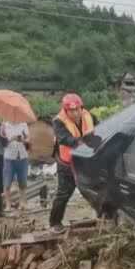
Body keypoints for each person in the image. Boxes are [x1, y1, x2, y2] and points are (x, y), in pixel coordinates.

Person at [49, 93, 95, 233]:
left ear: (81, 108)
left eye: (77, 110)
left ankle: (103, 216)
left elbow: (100, 130)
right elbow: (64, 138)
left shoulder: (89, 116)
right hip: (67, 163)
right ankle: (55, 222)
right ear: (65, 110)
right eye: (71, 111)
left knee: (95, 189)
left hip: (86, 160)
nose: (75, 113)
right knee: (64, 193)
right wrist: (82, 142)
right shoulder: (58, 121)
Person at [0, 116, 30, 213]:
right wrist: (11, 139)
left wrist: (23, 140)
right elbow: (2, 142)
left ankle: (22, 203)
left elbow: (28, 140)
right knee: (7, 182)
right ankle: (8, 205)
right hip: (9, 157)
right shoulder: (4, 125)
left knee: (22, 181)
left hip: (22, 156)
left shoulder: (23, 124)